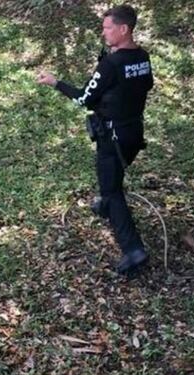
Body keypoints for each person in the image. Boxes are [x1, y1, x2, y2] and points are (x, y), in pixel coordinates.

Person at [36, 4, 153, 276]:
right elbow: (145, 85)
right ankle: (103, 205)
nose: (104, 33)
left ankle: (133, 249)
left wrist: (55, 82)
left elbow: (83, 98)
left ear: (124, 30)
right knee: (112, 177)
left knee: (113, 191)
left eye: (107, 28)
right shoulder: (143, 57)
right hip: (134, 132)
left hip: (112, 135)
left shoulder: (111, 64)